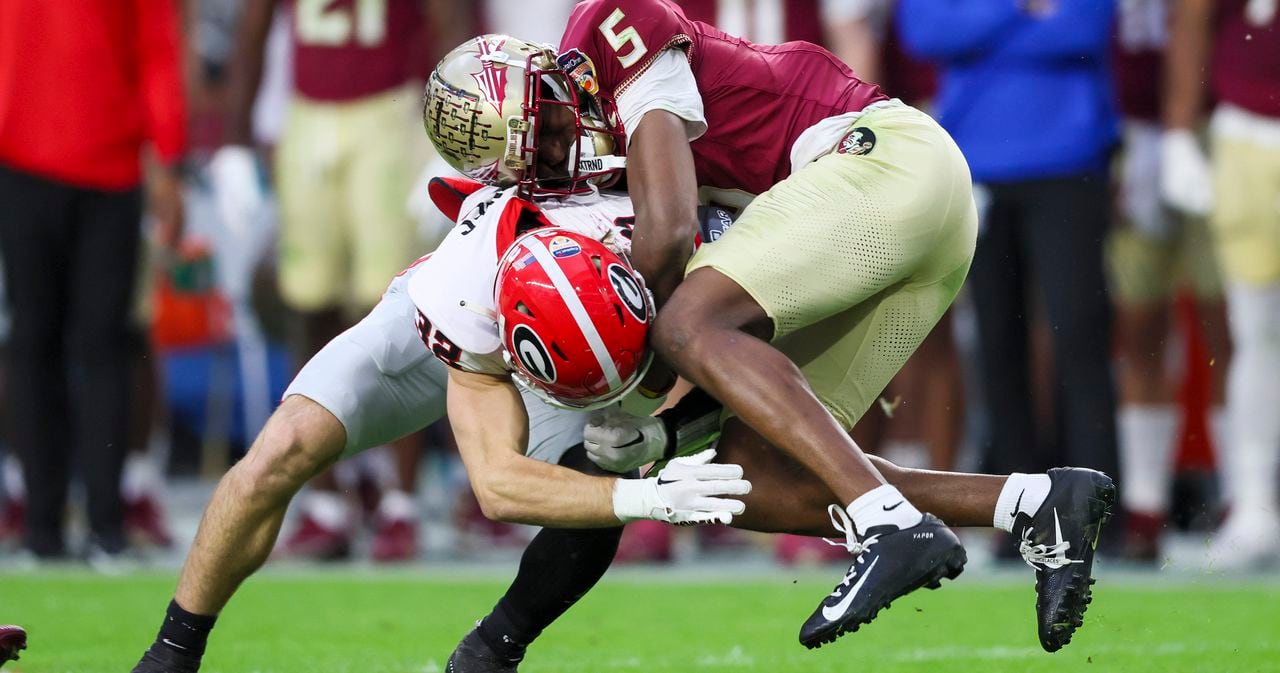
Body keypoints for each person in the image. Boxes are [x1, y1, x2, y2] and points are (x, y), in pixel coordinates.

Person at [130, 38, 753, 673]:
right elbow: (497, 484)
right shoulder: (482, 246)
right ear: (516, 153)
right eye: (551, 111)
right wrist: (648, 498)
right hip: (477, 334)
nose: (573, 107)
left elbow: (717, 322)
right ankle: (170, 656)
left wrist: (661, 431)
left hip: (594, 359)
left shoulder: (650, 122)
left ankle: (489, 652)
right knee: (284, 446)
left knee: (604, 464)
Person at [550, 0, 1112, 649]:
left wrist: (635, 390)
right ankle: (1034, 503)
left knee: (686, 323)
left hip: (881, 161)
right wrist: (657, 436)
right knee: (742, 472)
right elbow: (726, 357)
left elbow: (671, 238)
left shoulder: (611, 22)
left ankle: (890, 524)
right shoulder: (609, 156)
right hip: (907, 209)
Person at [0, 0, 185, 561]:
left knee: (101, 343)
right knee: (36, 341)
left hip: (109, 168)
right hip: (23, 159)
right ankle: (43, 526)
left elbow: (156, 47)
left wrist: (170, 159)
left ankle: (104, 523)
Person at [1107, 0, 1230, 562]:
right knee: (1139, 327)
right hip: (1130, 136)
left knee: (1225, 322)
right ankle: (1145, 505)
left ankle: (1242, 499)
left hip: (1214, 130)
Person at [1163, 0, 1280, 569]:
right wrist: (1178, 131)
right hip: (1250, 133)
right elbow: (1193, 17)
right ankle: (1254, 504)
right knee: (1255, 331)